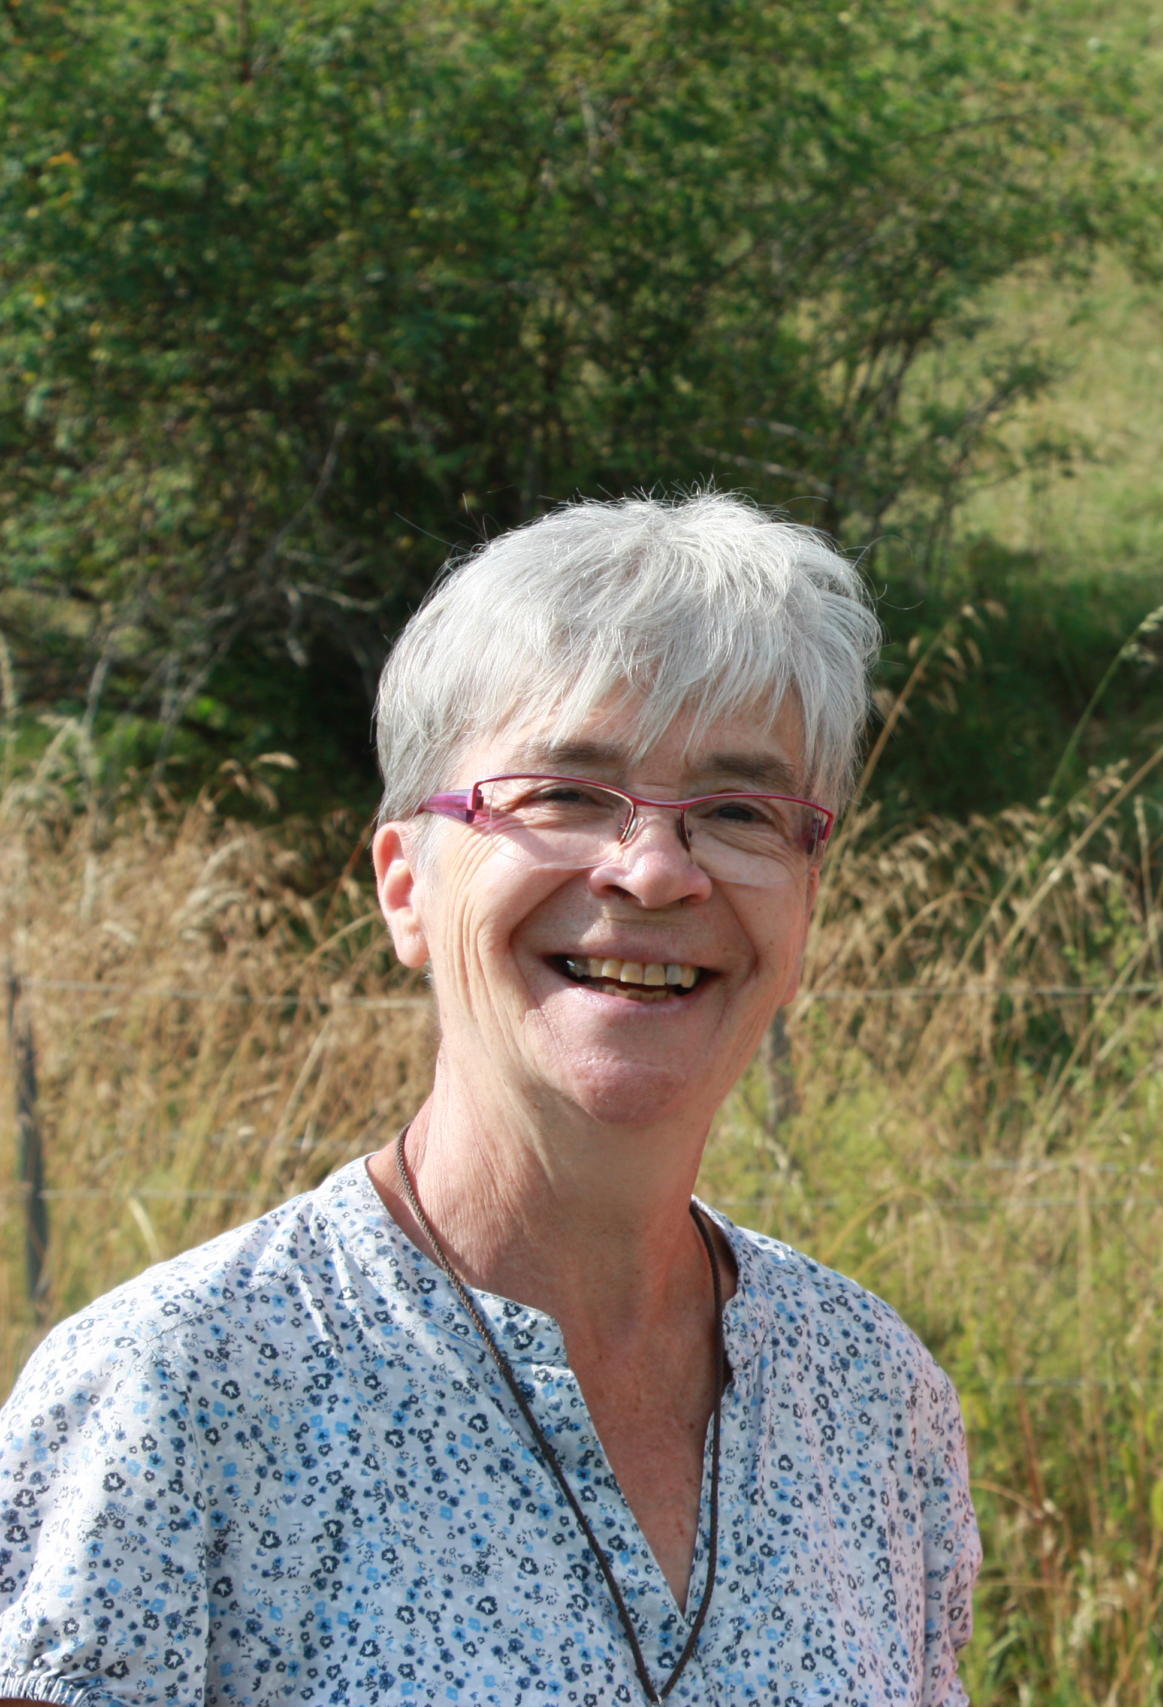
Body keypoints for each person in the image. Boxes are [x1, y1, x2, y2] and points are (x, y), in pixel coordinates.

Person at [0, 495, 977, 1704]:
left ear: (807, 906)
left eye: (736, 811)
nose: (657, 870)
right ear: (405, 888)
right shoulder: (179, 1394)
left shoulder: (874, 1399)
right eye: (565, 793)